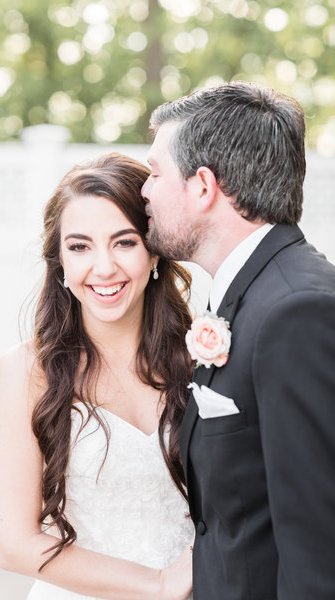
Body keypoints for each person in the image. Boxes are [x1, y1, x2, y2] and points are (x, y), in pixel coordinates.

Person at [141, 81, 335, 600]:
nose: (144, 190)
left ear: (203, 186)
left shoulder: (297, 311)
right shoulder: (249, 295)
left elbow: (319, 544)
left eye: (156, 173)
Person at [0, 152, 194, 600]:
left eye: (124, 242)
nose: (103, 268)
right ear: (59, 260)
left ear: (153, 250)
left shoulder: (201, 357)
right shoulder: (25, 372)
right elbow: (13, 544)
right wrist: (158, 586)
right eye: (80, 246)